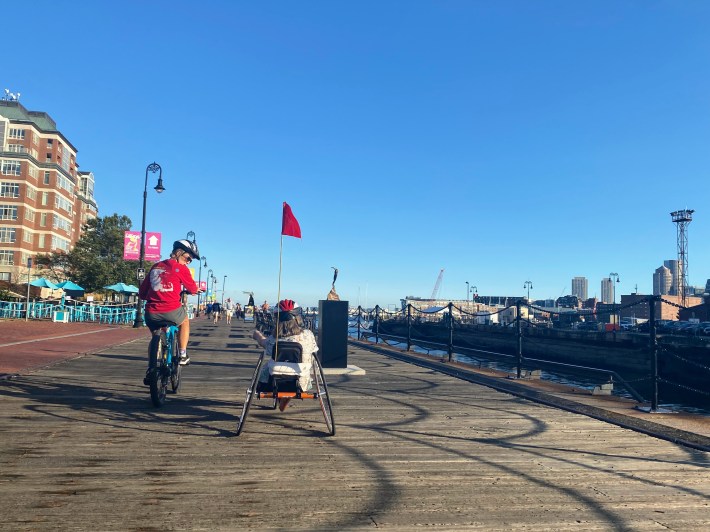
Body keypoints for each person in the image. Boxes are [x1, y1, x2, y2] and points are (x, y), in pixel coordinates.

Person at [139, 239, 200, 376]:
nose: (189, 262)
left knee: (155, 335)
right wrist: (194, 290)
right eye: (188, 258)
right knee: (184, 320)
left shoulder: (155, 266)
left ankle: (151, 368)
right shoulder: (181, 268)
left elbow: (142, 294)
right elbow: (192, 288)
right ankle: (183, 354)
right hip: (171, 312)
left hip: (151, 314)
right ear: (179, 252)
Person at [252, 299, 318, 411]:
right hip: (301, 382)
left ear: (277, 319)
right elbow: (314, 351)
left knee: (269, 367)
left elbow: (264, 343)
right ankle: (287, 394)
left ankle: (282, 394)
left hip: (274, 380)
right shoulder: (308, 335)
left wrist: (257, 335)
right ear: (297, 317)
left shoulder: (274, 339)